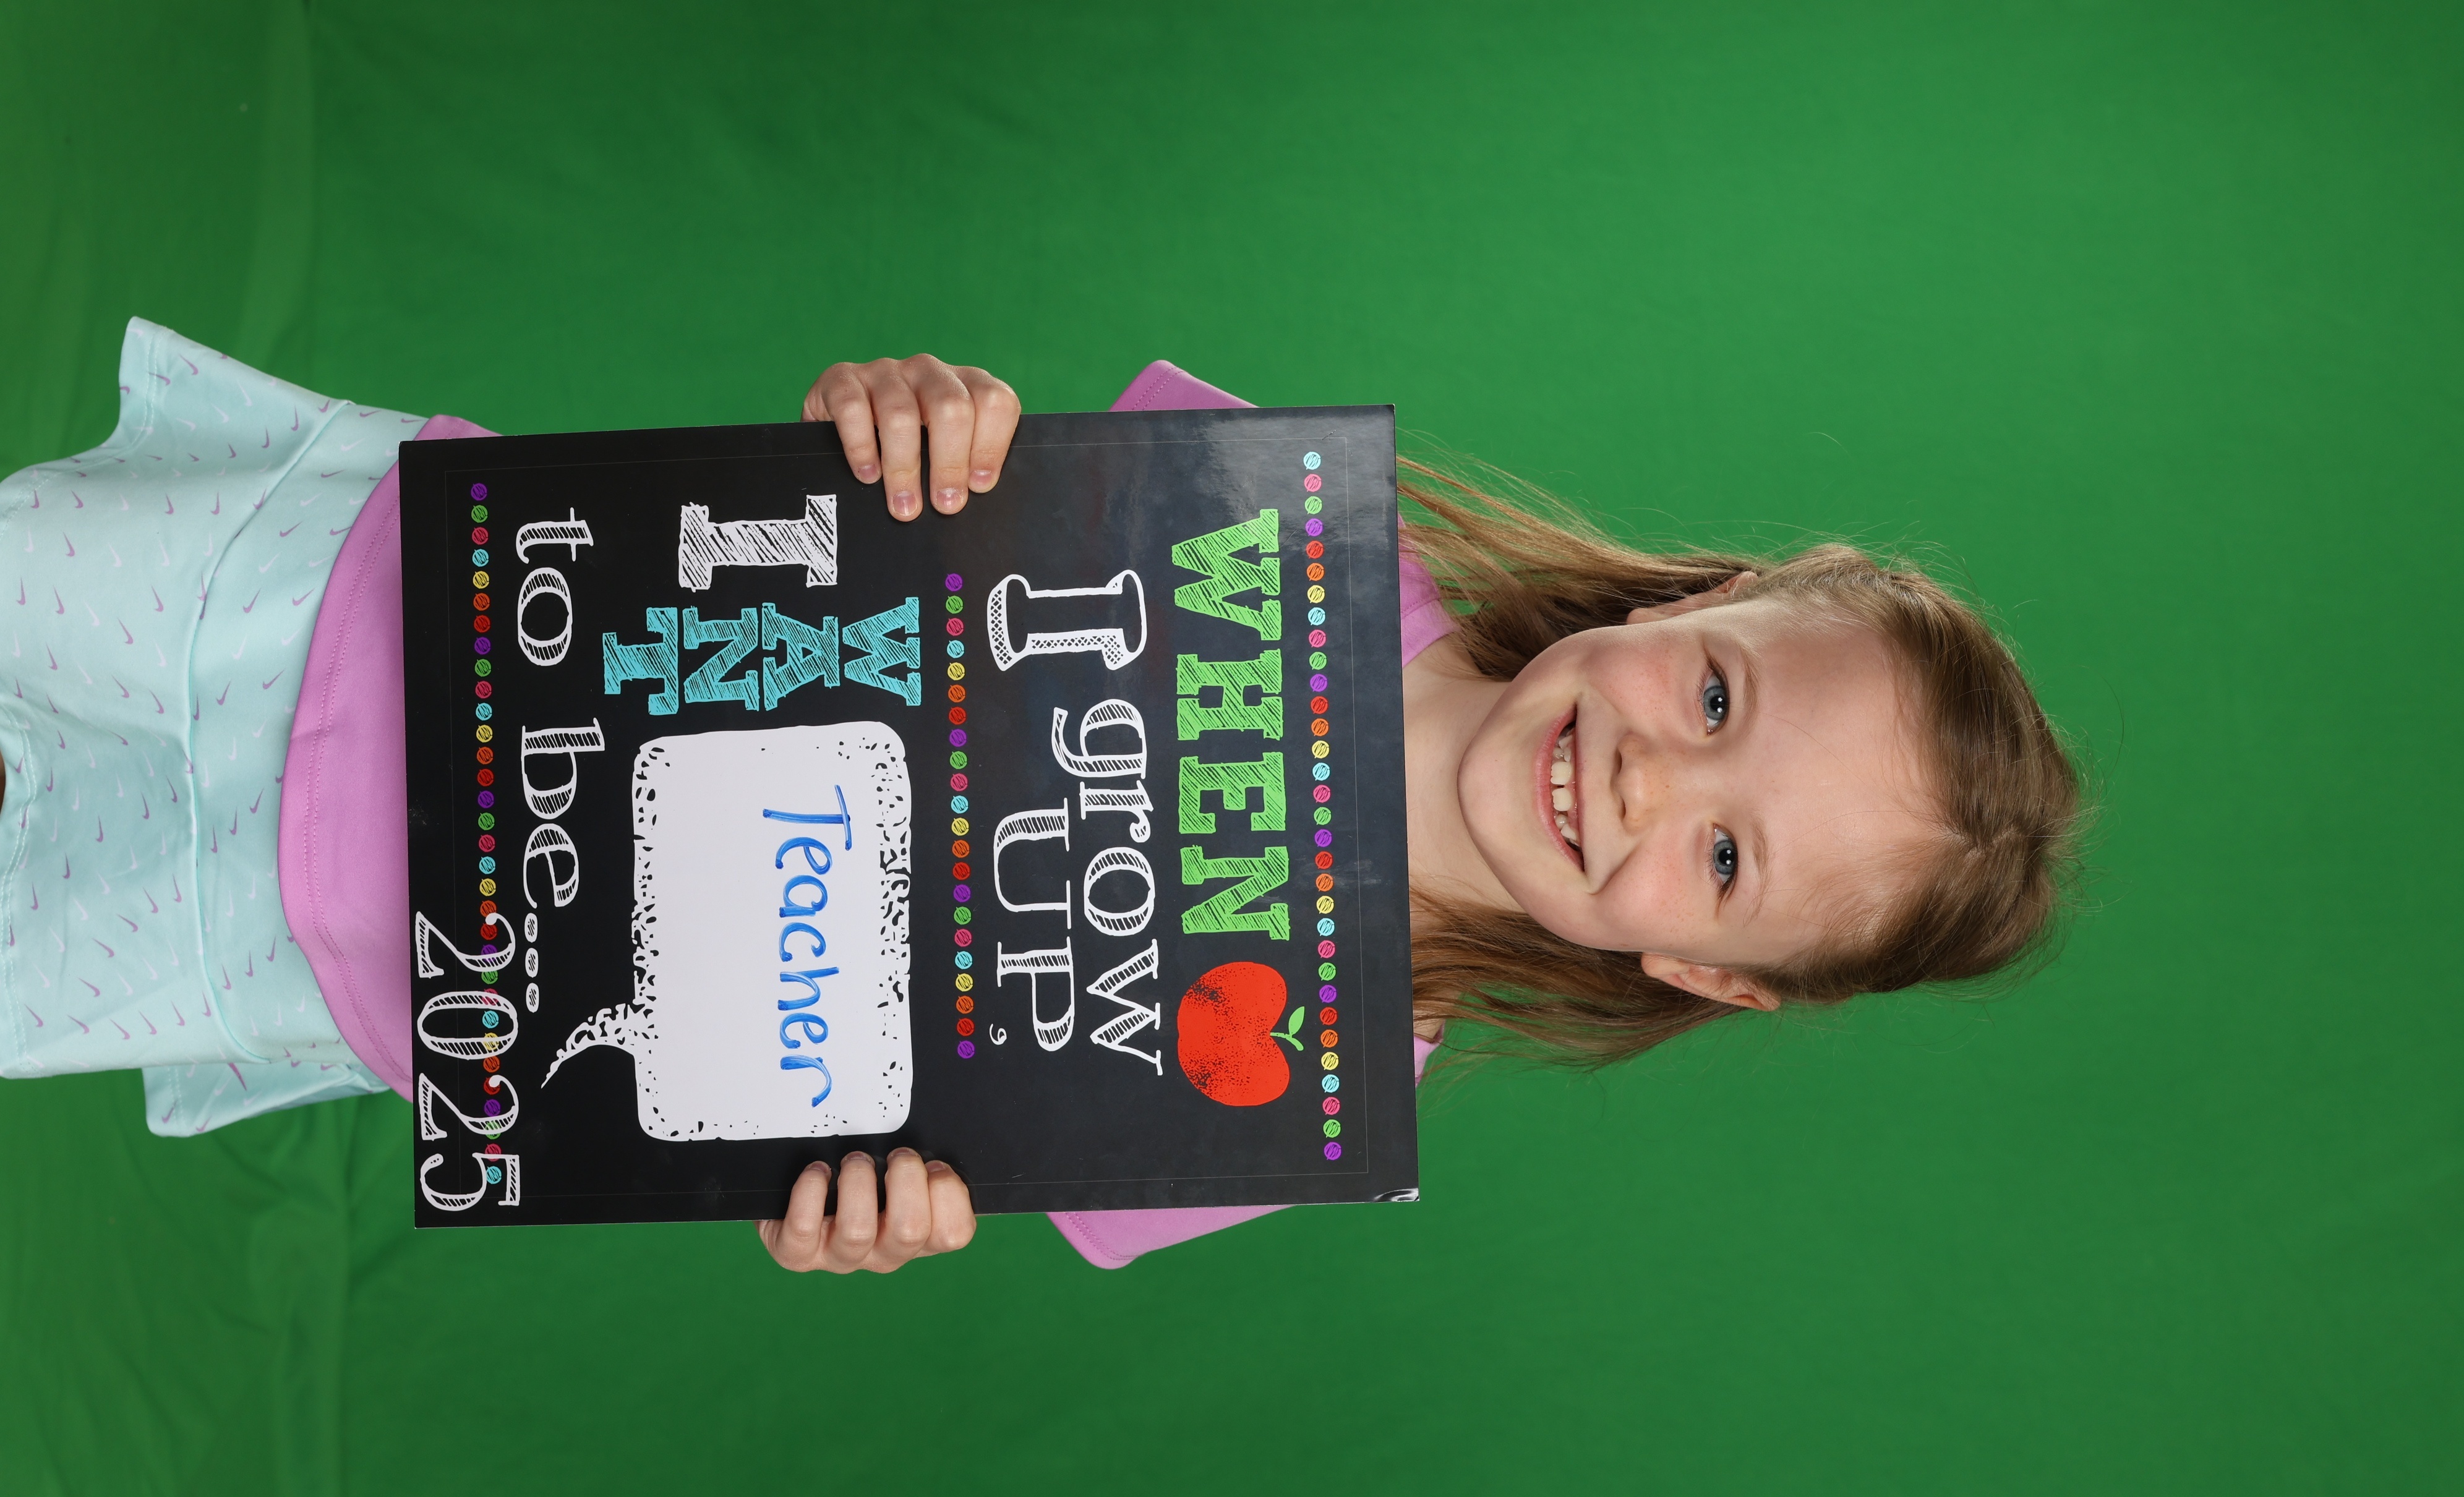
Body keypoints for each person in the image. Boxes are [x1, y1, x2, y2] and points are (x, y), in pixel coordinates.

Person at [0, 323, 2081, 1276]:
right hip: (342, 597)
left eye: (1724, 852)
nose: (1643, 772)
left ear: (1710, 973)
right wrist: (901, 418)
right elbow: (875, 531)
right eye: (1715, 694)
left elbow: (853, 1106)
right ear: (1699, 601)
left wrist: (857, 1208)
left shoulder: (1304, 1104)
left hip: (345, 958)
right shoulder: (1256, 511)